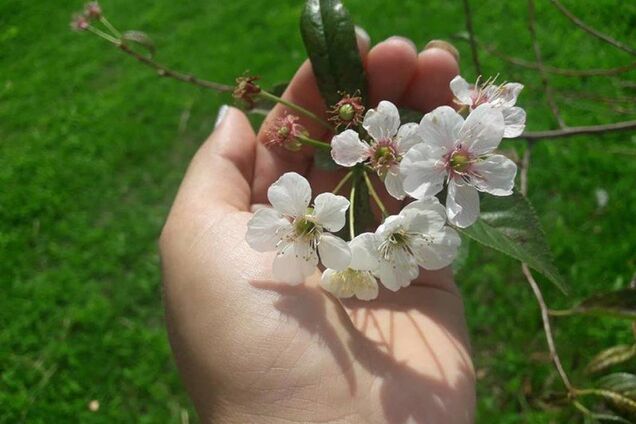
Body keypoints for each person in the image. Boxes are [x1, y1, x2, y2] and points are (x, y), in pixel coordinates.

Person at [159, 32, 475, 423]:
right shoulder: (328, 203)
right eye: (306, 226)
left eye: (384, 152)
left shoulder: (390, 178)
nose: (382, 155)